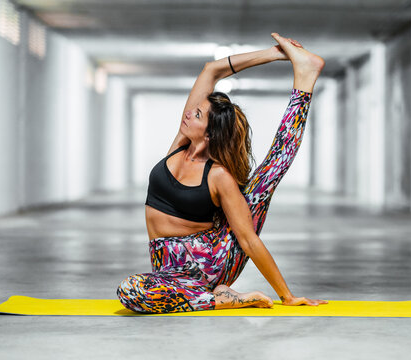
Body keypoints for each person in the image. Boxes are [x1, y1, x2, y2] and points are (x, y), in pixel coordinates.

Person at [117, 32, 329, 314]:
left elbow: (248, 239)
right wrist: (276, 53)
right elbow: (211, 70)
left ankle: (305, 78)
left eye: (198, 115)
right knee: (133, 290)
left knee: (268, 175)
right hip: (169, 271)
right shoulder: (179, 147)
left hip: (212, 263)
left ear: (209, 133)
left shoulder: (218, 176)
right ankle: (217, 297)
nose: (189, 113)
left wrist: (286, 296)